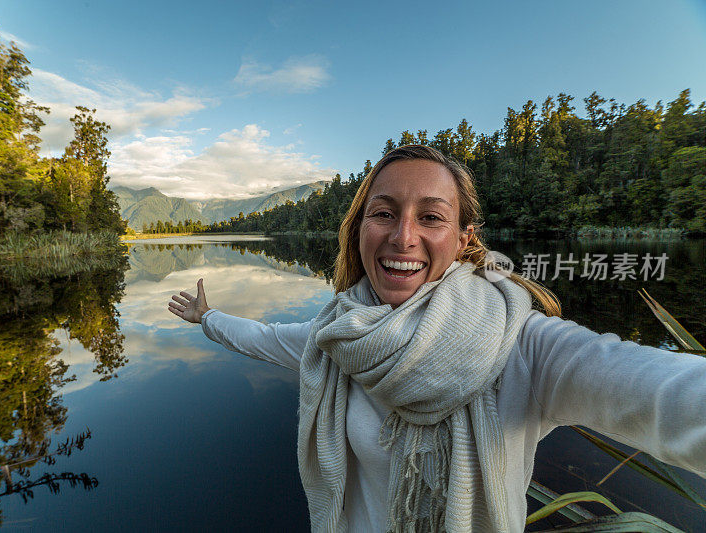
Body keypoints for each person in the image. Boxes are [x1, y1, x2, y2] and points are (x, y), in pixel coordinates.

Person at [168, 145, 706, 532]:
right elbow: (264, 336)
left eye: (430, 216)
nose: (404, 236)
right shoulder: (339, 334)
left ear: (463, 237)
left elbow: (668, 397)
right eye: (384, 213)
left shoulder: (522, 345)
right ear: (360, 228)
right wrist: (208, 317)